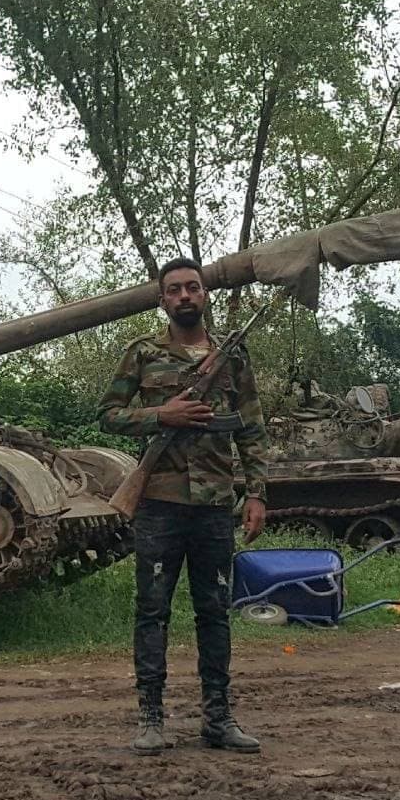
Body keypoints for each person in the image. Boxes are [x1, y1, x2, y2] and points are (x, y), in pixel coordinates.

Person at [99, 257, 268, 755]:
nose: (185, 296)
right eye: (174, 290)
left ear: (205, 294)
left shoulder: (232, 357)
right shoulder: (142, 352)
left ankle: (218, 718)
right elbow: (108, 415)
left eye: (193, 287)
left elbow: (251, 429)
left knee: (214, 612)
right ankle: (151, 716)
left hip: (215, 506)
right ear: (162, 300)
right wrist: (162, 415)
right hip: (158, 504)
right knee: (152, 611)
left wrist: (257, 493)